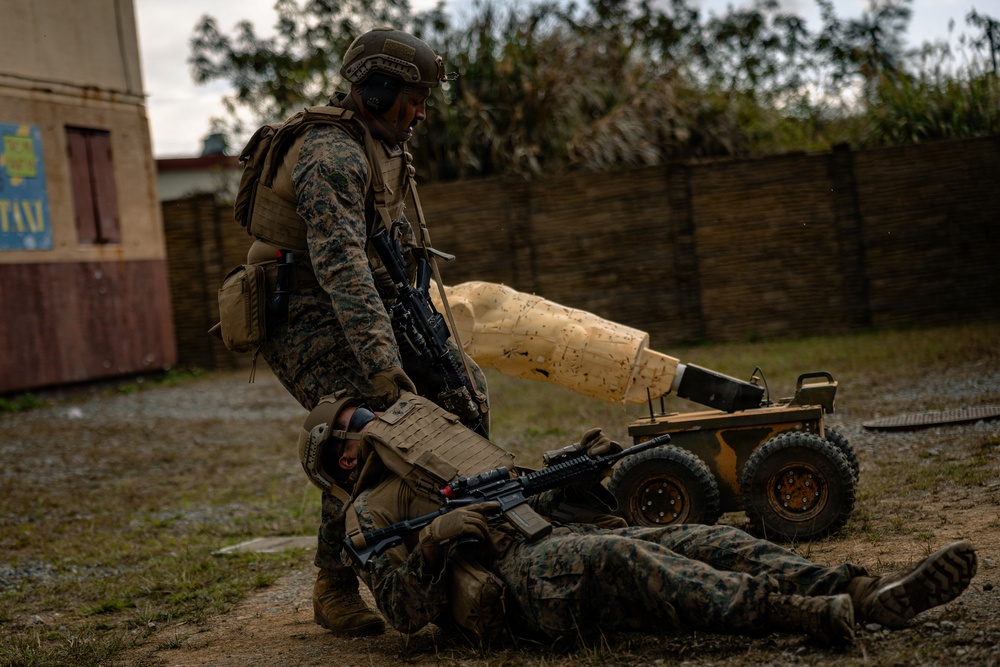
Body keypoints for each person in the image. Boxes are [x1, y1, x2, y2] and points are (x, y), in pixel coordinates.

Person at [297, 392, 979, 647]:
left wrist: (571, 474)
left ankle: (863, 590)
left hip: (551, 541)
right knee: (637, 563)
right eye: (351, 437)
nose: (368, 436)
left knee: (709, 535)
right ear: (336, 457)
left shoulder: (437, 460)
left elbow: (537, 503)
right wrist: (432, 548)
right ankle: (801, 611)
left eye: (370, 423)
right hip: (516, 584)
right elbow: (407, 614)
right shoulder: (366, 517)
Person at [238, 27, 488, 636]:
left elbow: (386, 252)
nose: (422, 111)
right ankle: (337, 582)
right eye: (413, 96)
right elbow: (342, 268)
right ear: (375, 91)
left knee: (461, 397)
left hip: (367, 301)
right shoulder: (332, 155)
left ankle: (450, 543)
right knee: (373, 426)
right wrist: (386, 371)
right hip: (300, 311)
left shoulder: (382, 146)